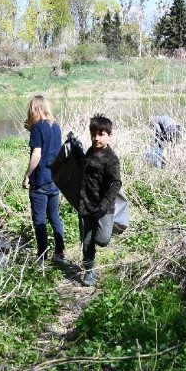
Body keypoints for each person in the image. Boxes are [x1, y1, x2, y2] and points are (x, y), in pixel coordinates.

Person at [77, 115, 121, 286]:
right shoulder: (89, 151)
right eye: (94, 134)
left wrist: (104, 205)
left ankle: (111, 226)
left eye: (101, 134)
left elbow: (116, 183)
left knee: (102, 240)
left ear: (109, 135)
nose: (96, 138)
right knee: (87, 241)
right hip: (86, 205)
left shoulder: (111, 159)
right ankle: (89, 271)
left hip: (103, 208)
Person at [22, 95, 66, 263]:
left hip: (40, 179)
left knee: (39, 219)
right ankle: (60, 253)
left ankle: (42, 255)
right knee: (54, 217)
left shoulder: (37, 127)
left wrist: (27, 176)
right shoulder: (55, 126)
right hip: (55, 178)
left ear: (34, 109)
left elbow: (37, 154)